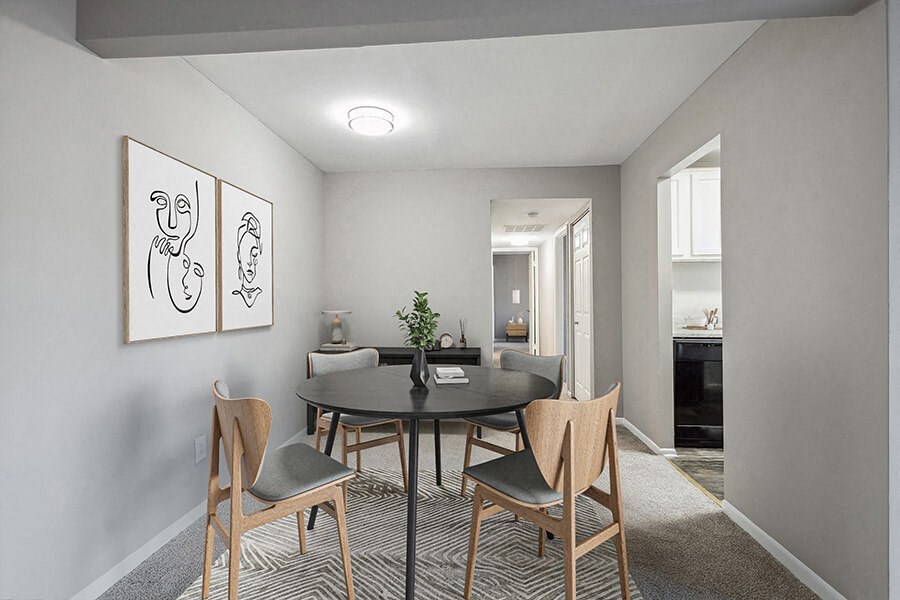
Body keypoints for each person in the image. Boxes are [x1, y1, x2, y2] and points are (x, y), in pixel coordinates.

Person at [232, 211, 263, 308]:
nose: (250, 261)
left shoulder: (260, 293)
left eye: (254, 254)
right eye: (245, 252)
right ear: (239, 256)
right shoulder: (235, 296)